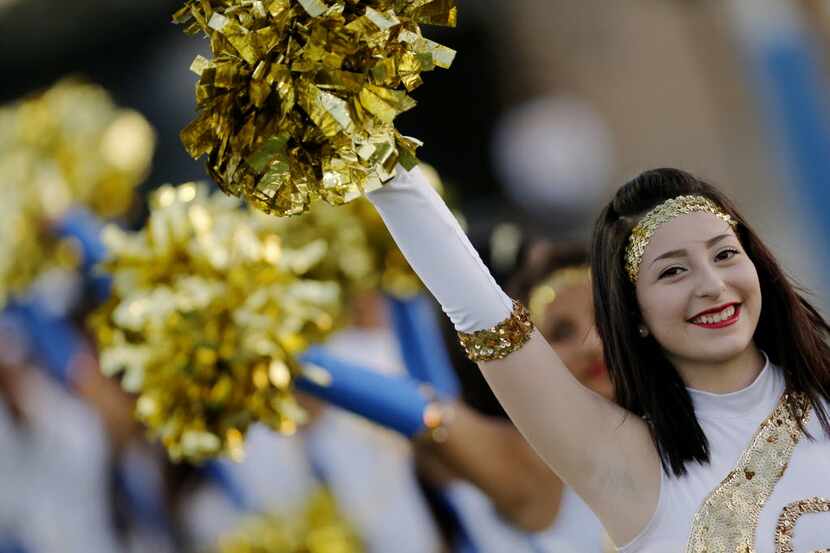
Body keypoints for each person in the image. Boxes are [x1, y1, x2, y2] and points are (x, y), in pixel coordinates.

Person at [366, 166, 830, 551]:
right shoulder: (628, 462)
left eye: (725, 254)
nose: (711, 285)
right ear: (635, 315)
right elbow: (482, 313)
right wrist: (378, 159)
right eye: (673, 271)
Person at [414, 240, 614, 552]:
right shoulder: (539, 470)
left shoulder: (703, 418)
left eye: (604, 318)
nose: (592, 345)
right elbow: (420, 410)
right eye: (562, 332)